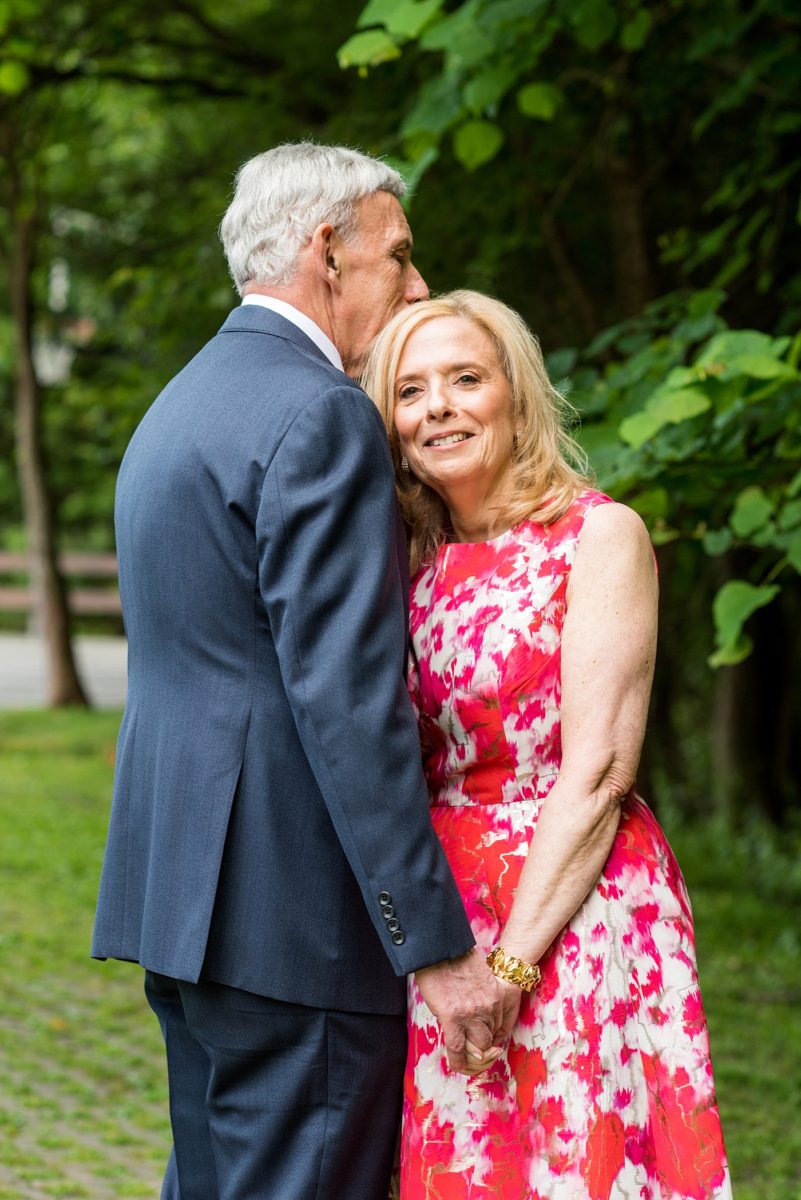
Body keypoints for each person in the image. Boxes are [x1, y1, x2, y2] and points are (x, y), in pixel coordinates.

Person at [92, 147, 510, 1200]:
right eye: (400, 255)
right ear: (328, 250)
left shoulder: (176, 408)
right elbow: (346, 701)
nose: (416, 285)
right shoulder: (322, 413)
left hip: (182, 904)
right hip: (297, 923)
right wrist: (433, 941)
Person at [363, 289, 733, 1199]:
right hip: (445, 917)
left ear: (515, 395)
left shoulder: (596, 536)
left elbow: (602, 767)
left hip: (568, 901)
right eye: (410, 391)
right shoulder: (406, 558)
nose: (438, 407)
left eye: (464, 379)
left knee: (571, 1168)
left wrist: (510, 964)